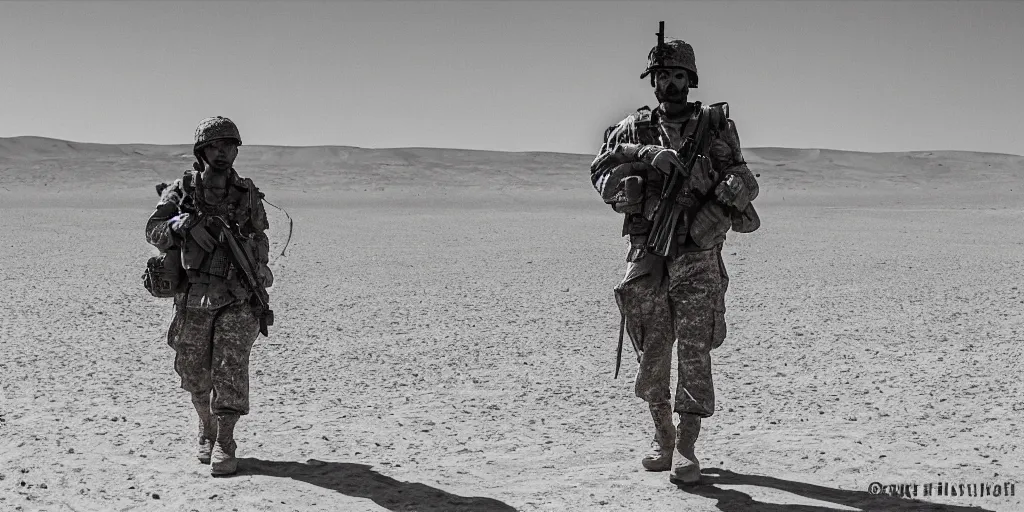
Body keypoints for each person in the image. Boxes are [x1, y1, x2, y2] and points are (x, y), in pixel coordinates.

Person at [589, 22, 761, 485]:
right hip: (648, 253)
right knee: (652, 348)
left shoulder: (715, 127)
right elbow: (601, 169)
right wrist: (642, 162)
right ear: (652, 81)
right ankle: (661, 435)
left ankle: (686, 446)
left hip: (697, 255)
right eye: (662, 76)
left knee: (694, 350)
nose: (670, 83)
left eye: (678, 75)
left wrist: (724, 193)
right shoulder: (634, 128)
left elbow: (746, 179)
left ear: (691, 79)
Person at [145, 116, 274, 476]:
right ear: (202, 151)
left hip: (237, 297)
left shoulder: (246, 193)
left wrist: (253, 256)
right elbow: (152, 230)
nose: (224, 152)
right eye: (216, 146)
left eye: (230, 146)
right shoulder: (183, 190)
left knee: (230, 369)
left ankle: (226, 443)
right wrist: (179, 225)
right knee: (193, 372)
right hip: (194, 298)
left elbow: (262, 237)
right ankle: (206, 426)